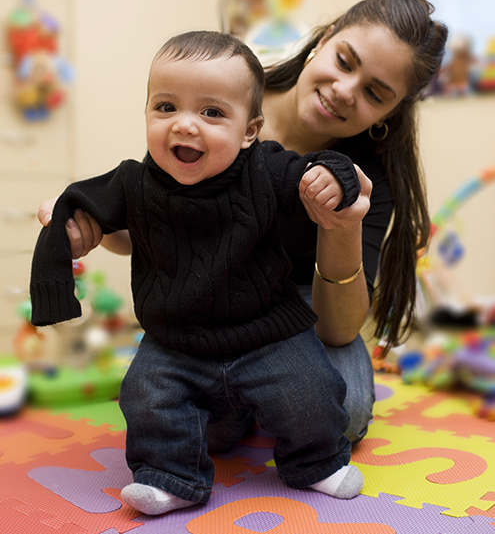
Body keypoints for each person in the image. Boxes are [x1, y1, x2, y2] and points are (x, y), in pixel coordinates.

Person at [37, 0, 448, 449]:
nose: (344, 91)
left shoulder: (369, 175)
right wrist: (91, 223)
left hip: (298, 304)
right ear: (324, 39)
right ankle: (250, 399)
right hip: (207, 289)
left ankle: (257, 395)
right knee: (201, 428)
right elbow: (145, 221)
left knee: (343, 415)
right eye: (345, 61)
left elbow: (338, 330)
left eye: (375, 93)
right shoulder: (226, 91)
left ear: (391, 112)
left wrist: (341, 224)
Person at [30, 30, 366, 516]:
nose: (185, 125)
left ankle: (315, 462)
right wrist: (68, 226)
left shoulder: (264, 169)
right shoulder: (133, 181)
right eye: (166, 107)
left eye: (211, 113)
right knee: (146, 395)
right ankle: (172, 475)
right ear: (146, 112)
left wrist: (334, 175)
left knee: (310, 391)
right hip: (175, 342)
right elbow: (81, 203)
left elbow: (318, 167)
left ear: (249, 131)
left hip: (267, 334)